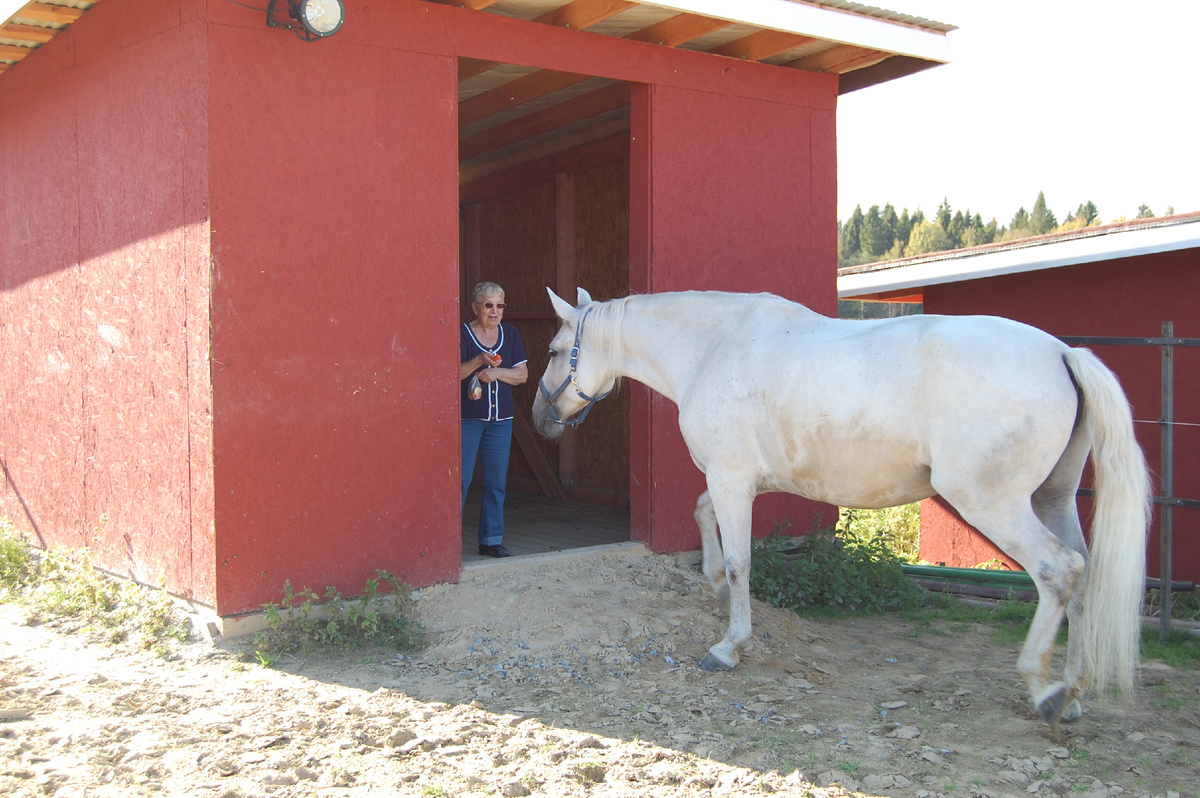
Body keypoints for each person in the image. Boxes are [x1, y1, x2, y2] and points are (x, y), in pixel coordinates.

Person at [460, 281, 528, 557]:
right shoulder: (462, 334)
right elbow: (454, 373)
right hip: (467, 420)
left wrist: (497, 373)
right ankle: (448, 542)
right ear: (475, 307)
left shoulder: (510, 334)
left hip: (501, 421)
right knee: (460, 482)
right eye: (488, 305)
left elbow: (522, 375)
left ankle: (491, 540)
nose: (494, 311)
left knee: (496, 482)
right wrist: (479, 361)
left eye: (500, 305)